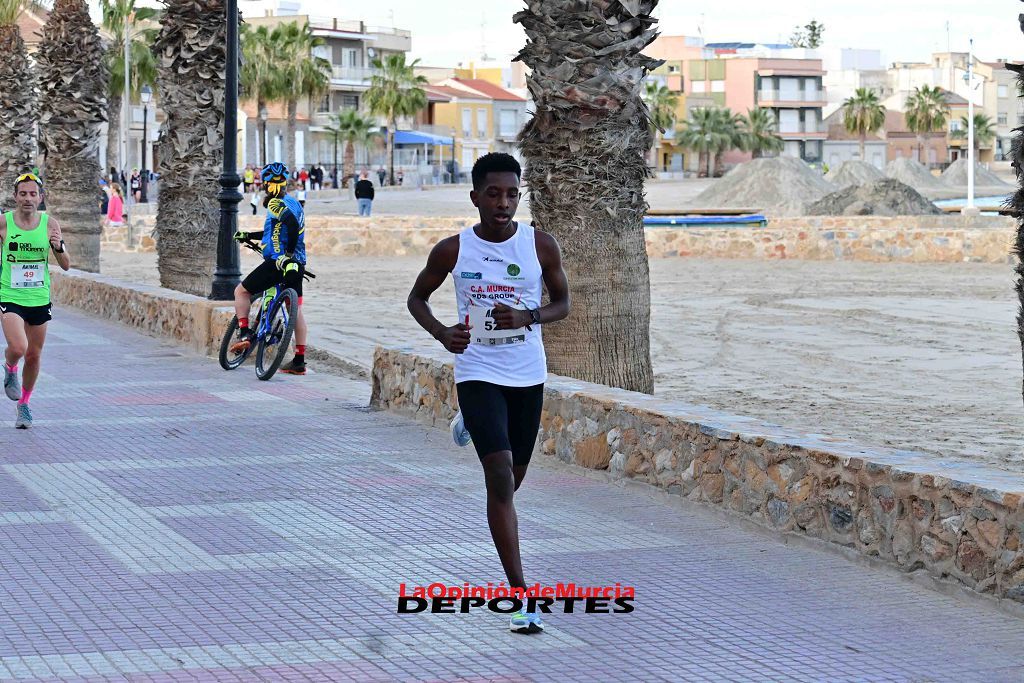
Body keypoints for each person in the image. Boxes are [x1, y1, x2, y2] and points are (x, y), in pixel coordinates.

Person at [407, 153, 570, 634]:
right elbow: (417, 298)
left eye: (512, 194)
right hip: (477, 369)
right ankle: (520, 596)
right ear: (475, 197)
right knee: (498, 477)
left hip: (526, 374)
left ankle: (472, 426)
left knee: (512, 480)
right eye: (494, 194)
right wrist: (441, 333)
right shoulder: (452, 250)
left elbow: (562, 303)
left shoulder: (540, 245)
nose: (503, 203)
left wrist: (528, 317)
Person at [1, 173, 71, 429]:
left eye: (33, 194)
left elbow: (66, 265)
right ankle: (9, 367)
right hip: (10, 294)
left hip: (39, 296)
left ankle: (24, 405)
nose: (28, 198)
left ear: (41, 198)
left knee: (33, 355)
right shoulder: (4, 223)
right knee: (18, 348)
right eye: (23, 193)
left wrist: (60, 247)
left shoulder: (50, 224)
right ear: (15, 197)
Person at [228, 162, 309, 375]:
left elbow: (289, 224)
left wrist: (286, 256)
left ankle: (244, 332)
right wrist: (249, 236)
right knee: (296, 309)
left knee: (241, 291)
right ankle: (299, 360)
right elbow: (279, 230)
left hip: (279, 262)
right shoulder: (294, 202)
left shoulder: (276, 204)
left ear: (266, 183)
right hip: (298, 264)